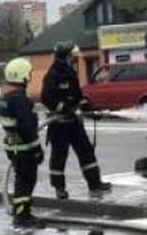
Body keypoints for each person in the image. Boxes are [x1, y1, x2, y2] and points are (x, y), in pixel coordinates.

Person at [41, 41, 112, 199]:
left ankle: (95, 184)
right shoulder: (52, 75)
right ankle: (59, 188)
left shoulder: (70, 72)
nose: (74, 58)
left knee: (86, 153)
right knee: (59, 157)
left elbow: (76, 95)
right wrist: (63, 108)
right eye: (71, 56)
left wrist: (84, 104)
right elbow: (46, 98)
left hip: (74, 123)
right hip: (58, 125)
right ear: (64, 56)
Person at [0, 57, 44, 228]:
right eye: (29, 74)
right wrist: (37, 149)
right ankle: (22, 216)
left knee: (21, 179)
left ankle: (22, 212)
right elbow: (27, 128)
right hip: (24, 148)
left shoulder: (4, 98)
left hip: (13, 146)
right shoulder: (20, 100)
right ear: (22, 76)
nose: (30, 77)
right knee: (26, 180)